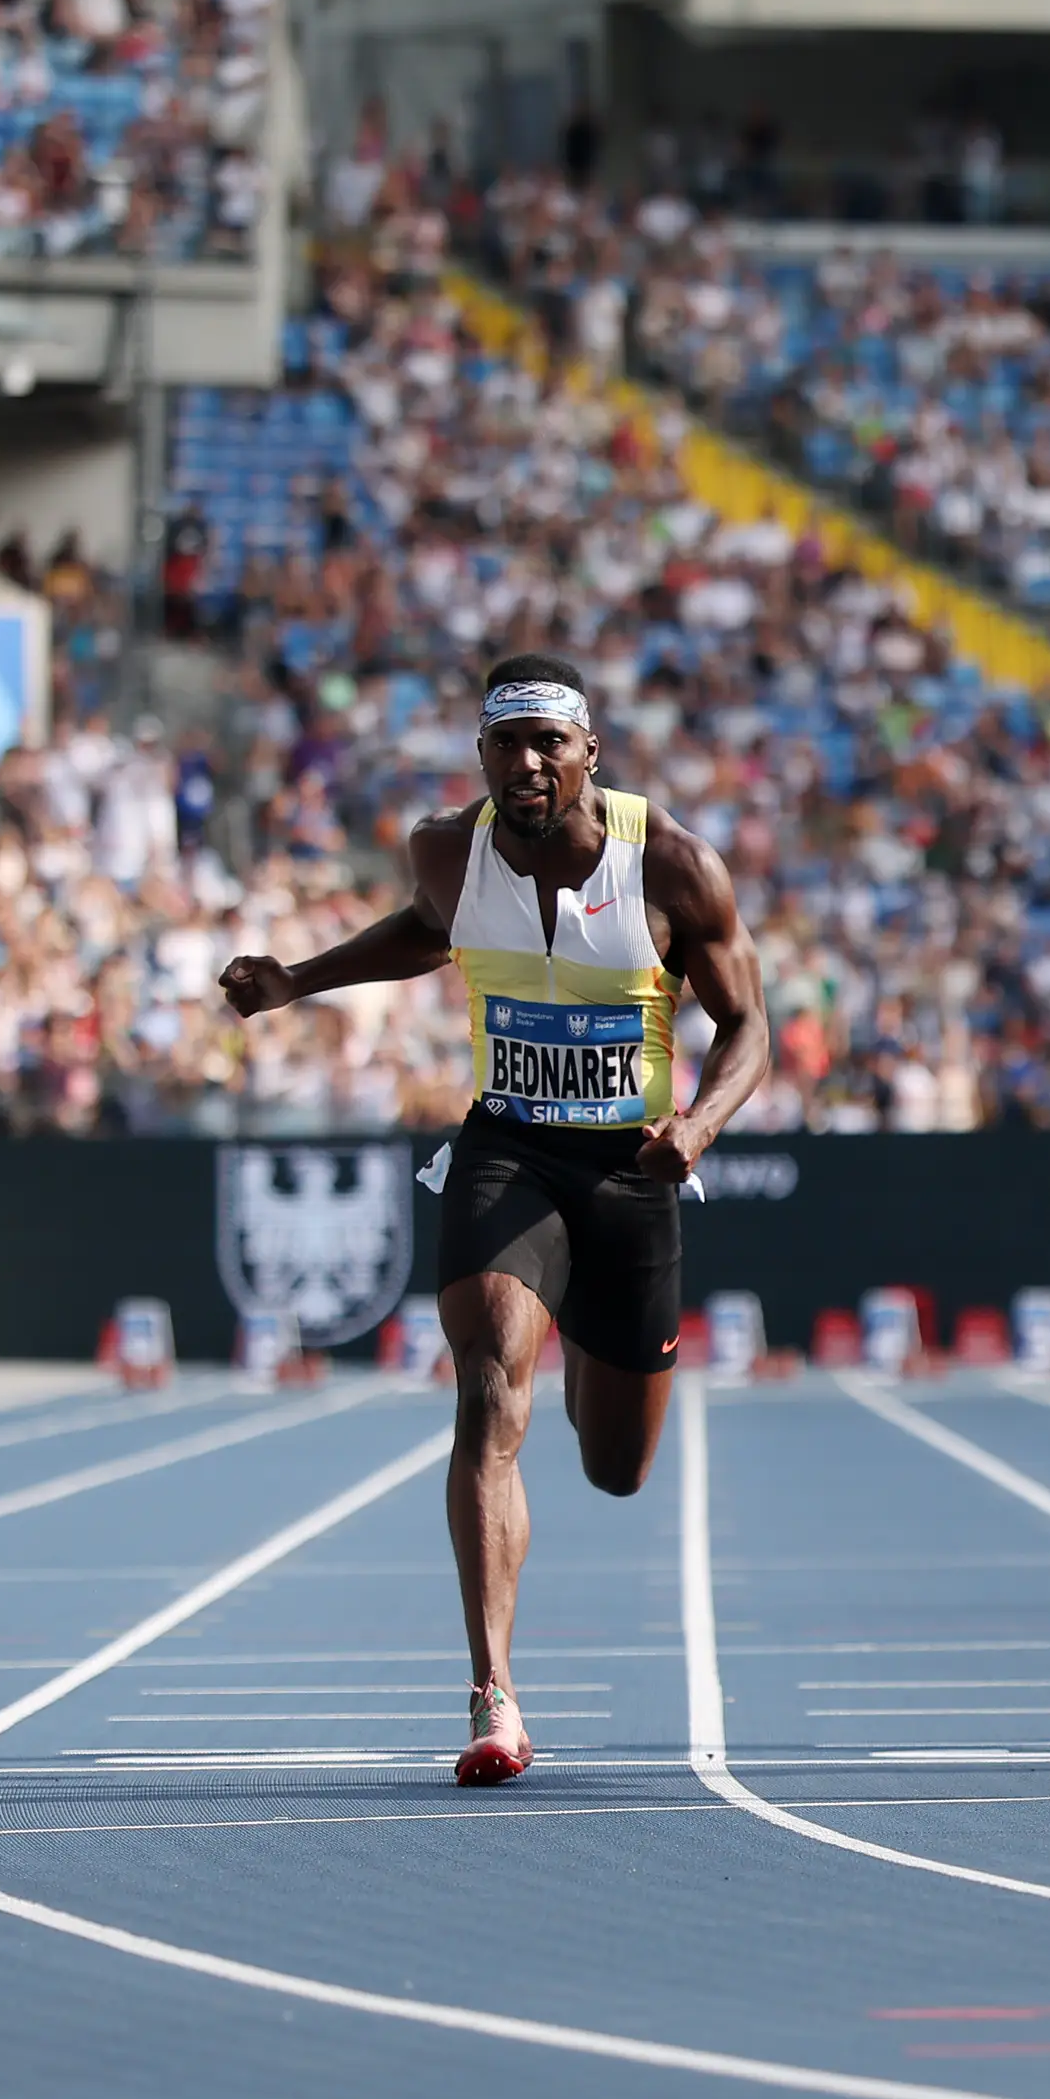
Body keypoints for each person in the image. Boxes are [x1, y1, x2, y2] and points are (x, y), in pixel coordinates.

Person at [220, 655, 769, 1786]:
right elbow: (429, 928)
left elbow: (750, 1025)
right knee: (483, 1385)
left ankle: (577, 1343)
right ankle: (493, 1693)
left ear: (588, 754)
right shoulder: (445, 847)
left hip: (634, 1167)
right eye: (506, 744)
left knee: (616, 1465)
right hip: (507, 1146)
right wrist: (297, 983)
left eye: (547, 745)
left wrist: (700, 1127)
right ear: (481, 756)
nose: (526, 764)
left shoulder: (671, 863)